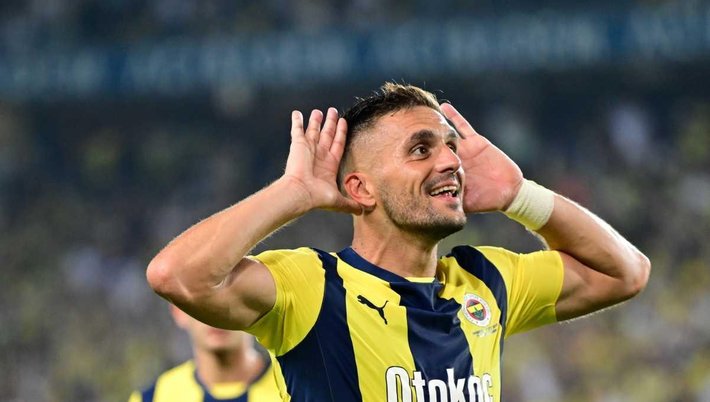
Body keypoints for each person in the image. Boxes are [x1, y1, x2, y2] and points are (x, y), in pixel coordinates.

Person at [145, 83, 651, 401]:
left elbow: (625, 272)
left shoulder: (486, 282)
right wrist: (293, 193)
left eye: (450, 147)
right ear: (361, 189)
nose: (450, 161)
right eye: (420, 150)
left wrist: (521, 196)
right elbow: (176, 276)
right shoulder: (314, 288)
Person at [128, 305, 281, 402]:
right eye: (202, 300)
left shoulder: (291, 389)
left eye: (230, 298)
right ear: (178, 311)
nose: (216, 314)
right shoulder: (153, 398)